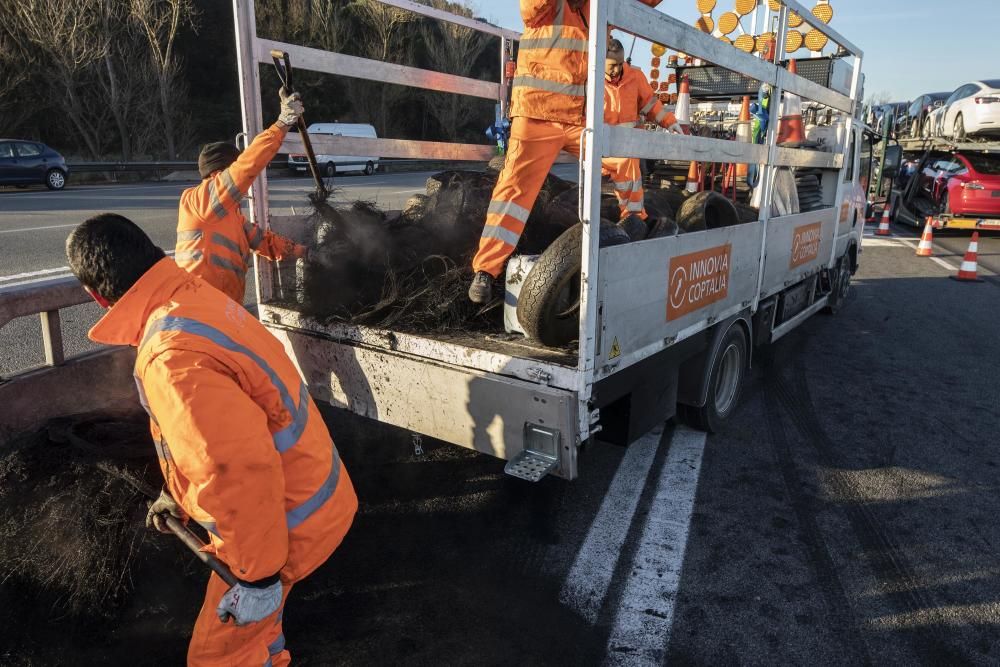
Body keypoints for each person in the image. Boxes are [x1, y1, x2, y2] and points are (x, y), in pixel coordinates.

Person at [66, 214, 358, 666]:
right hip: (315, 496)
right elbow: (213, 440)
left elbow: (234, 469)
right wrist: (175, 496)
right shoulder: (197, 300)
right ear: (150, 252)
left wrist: (257, 580)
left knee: (217, 656)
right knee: (261, 628)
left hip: (286, 524)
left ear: (96, 296)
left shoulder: (170, 357)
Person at [468, 0, 665, 304]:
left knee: (623, 158)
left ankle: (635, 218)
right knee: (514, 190)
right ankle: (486, 270)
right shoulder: (550, 6)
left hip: (580, 120)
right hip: (537, 114)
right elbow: (530, 7)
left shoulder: (596, 7)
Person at [176, 87, 308, 304]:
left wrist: (304, 251)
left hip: (223, 310)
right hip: (198, 310)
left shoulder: (232, 217)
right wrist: (282, 124)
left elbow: (266, 242)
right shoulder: (199, 200)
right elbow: (247, 166)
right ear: (222, 172)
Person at [602, 38, 684, 223]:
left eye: (620, 64)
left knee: (631, 177)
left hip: (628, 149)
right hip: (600, 149)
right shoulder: (590, 79)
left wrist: (670, 122)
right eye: (612, 65)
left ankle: (633, 219)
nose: (617, 69)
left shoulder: (635, 76)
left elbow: (650, 104)